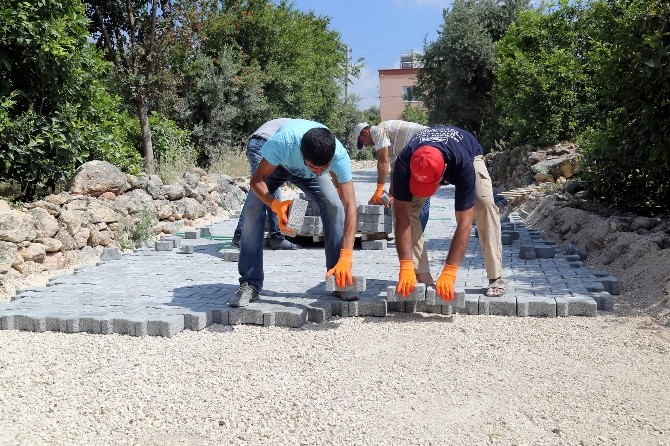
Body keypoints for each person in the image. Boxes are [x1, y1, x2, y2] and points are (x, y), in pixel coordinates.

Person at [229, 119, 359, 307]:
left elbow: (350, 206)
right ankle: (250, 283)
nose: (319, 172)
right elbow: (257, 179)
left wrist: (347, 254)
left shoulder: (339, 156)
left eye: (324, 168)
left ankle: (338, 277)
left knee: (335, 206)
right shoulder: (282, 143)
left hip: (304, 163)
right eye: (314, 167)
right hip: (279, 165)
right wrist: (275, 205)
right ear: (302, 153)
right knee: (252, 209)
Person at [391, 125, 506, 301]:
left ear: (443, 171)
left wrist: (450, 271)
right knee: (410, 210)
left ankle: (495, 277)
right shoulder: (403, 163)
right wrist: (405, 264)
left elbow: (464, 223)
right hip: (426, 157)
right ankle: (421, 275)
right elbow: (401, 216)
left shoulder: (462, 164)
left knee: (485, 204)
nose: (425, 191)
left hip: (467, 151)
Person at [232, 118, 300, 250]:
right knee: (264, 188)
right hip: (262, 143)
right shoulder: (301, 132)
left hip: (261, 142)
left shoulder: (296, 128)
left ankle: (245, 235)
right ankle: (274, 236)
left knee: (263, 189)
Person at [353, 121, 431, 231]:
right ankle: (415, 234)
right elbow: (395, 169)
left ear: (366, 132)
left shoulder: (377, 131)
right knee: (419, 198)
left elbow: (382, 161)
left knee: (421, 198)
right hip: (421, 152)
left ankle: (415, 235)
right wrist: (391, 194)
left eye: (362, 141)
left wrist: (379, 188)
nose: (365, 145)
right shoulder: (389, 143)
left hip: (428, 145)